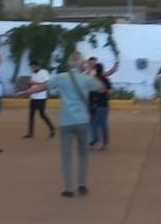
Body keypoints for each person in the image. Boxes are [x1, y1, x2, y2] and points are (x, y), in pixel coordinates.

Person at [17, 51, 106, 197]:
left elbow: (41, 87)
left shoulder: (61, 78)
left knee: (66, 156)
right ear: (82, 63)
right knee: (83, 154)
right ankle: (82, 184)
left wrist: (25, 92)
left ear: (69, 63)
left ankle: (69, 188)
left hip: (66, 121)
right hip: (82, 121)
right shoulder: (86, 79)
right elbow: (102, 88)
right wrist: (90, 72)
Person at [24, 60, 55, 139]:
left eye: (33, 66)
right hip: (33, 97)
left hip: (41, 98)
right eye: (31, 67)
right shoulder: (33, 74)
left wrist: (35, 83)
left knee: (42, 115)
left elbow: (46, 85)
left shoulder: (44, 72)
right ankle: (30, 133)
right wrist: (28, 91)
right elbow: (32, 85)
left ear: (38, 66)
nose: (32, 68)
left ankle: (52, 128)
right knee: (31, 115)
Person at [88, 63, 110, 150]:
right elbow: (110, 91)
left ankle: (94, 141)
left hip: (95, 105)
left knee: (94, 124)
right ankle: (104, 143)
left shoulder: (93, 80)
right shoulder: (105, 79)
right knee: (103, 125)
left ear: (95, 69)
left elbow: (89, 93)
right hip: (104, 105)